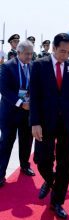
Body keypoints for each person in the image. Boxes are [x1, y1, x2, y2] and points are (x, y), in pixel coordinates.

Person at [30, 33, 69, 219]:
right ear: (54, 48)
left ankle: (57, 201)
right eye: (62, 51)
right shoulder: (39, 66)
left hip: (66, 123)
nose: (65, 56)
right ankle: (50, 179)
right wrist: (35, 122)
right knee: (41, 160)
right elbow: (35, 97)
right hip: (45, 123)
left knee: (64, 163)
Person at [0, 40, 35, 187]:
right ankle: (0, 173)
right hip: (10, 112)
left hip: (27, 113)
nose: (29, 57)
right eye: (27, 54)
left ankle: (25, 165)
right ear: (19, 52)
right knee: (6, 142)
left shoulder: (34, 66)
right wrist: (21, 103)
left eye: (31, 54)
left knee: (27, 141)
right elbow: (4, 88)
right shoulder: (7, 67)